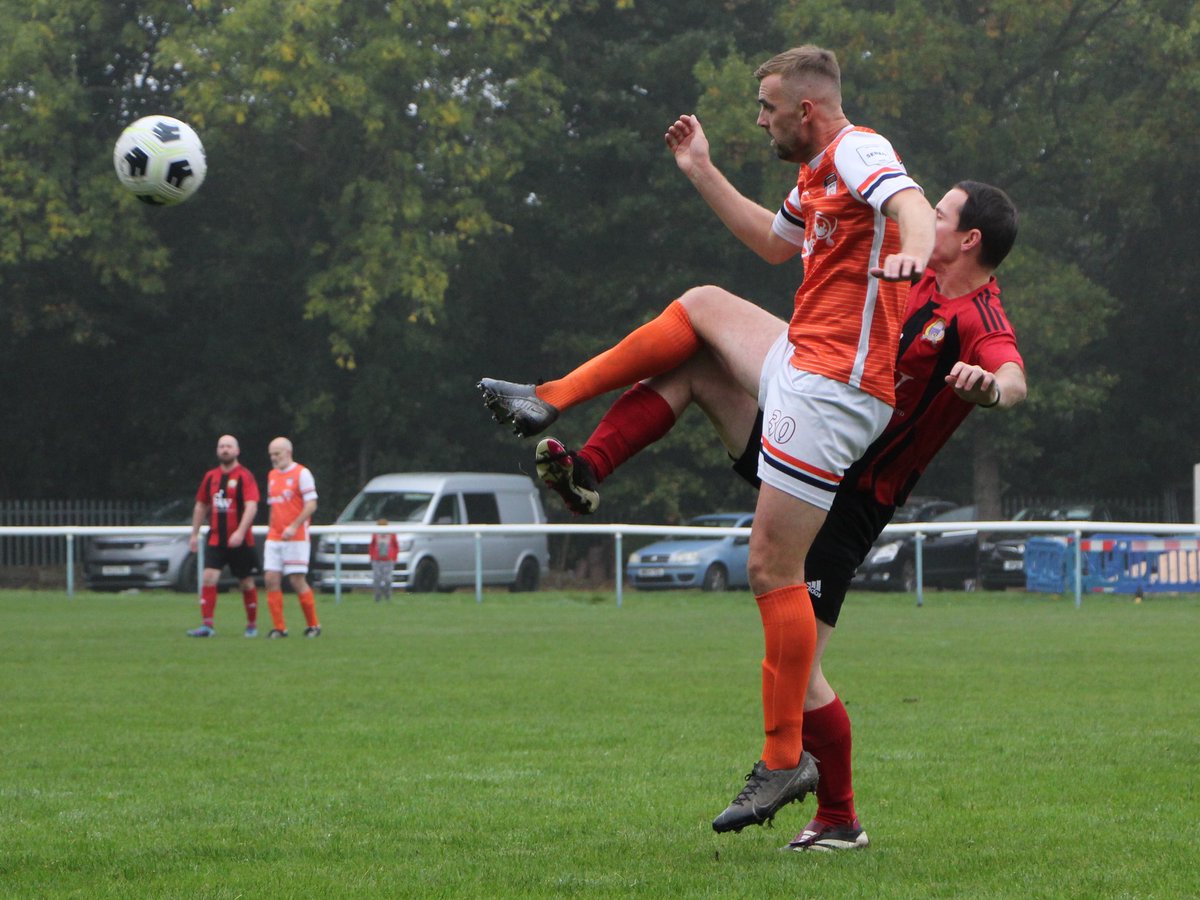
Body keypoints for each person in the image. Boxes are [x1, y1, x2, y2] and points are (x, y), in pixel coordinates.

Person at [478, 45, 937, 834]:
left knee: (769, 567)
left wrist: (915, 247)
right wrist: (701, 168)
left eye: (766, 107)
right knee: (699, 309)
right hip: (803, 359)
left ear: (806, 110)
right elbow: (772, 243)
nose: (758, 119)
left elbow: (912, 204)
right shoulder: (814, 171)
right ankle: (551, 404)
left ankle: (786, 756)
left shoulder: (857, 149)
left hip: (833, 388)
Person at [536, 180, 1027, 850]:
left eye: (938, 214)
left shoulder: (976, 313)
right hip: (807, 431)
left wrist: (990, 387)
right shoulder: (909, 271)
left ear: (969, 239)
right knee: (700, 351)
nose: (923, 218)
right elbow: (779, 237)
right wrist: (703, 171)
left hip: (849, 498)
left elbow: (1013, 375)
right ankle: (588, 470)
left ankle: (838, 818)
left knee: (802, 674)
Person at [186, 434, 262, 638]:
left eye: (229, 446)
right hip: (216, 538)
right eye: (221, 446)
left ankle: (252, 625)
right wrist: (194, 534)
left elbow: (251, 506)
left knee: (245, 581)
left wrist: (240, 531)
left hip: (240, 541)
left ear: (237, 451)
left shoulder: (245, 476)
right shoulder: (211, 477)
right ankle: (207, 626)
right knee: (209, 577)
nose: (225, 450)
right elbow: (201, 505)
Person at [264, 437, 321, 638]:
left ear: (288, 452)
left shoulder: (302, 474)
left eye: (277, 454)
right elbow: (273, 506)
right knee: (270, 578)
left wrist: (294, 526)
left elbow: (311, 504)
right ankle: (279, 628)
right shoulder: (271, 475)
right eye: (271, 454)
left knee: (296, 580)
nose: (273, 458)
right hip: (275, 536)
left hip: (296, 536)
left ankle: (313, 625)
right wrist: (273, 529)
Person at [370, 519, 400, 602]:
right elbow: (372, 545)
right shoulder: (375, 535)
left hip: (388, 560)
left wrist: (394, 558)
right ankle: (377, 596)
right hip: (377, 560)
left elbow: (396, 546)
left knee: (388, 579)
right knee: (377, 578)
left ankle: (387, 595)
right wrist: (372, 557)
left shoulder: (391, 535)